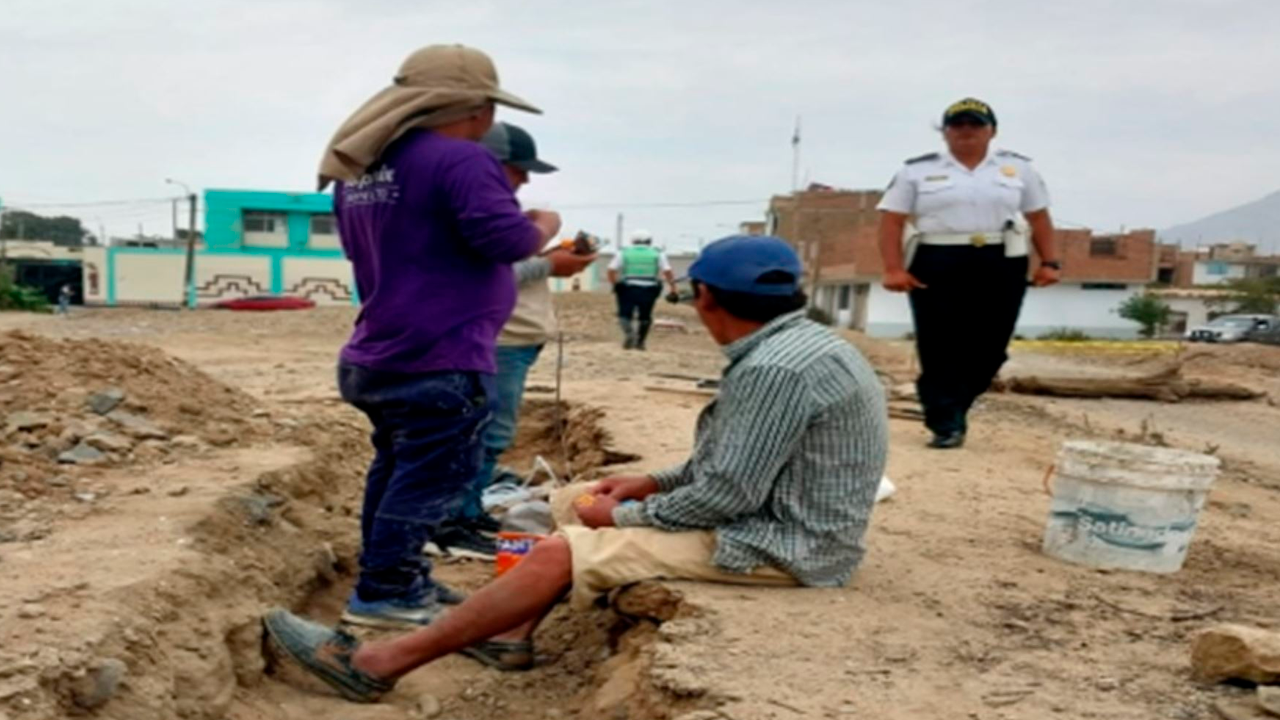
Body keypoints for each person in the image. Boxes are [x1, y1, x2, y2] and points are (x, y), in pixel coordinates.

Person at [262, 235, 890, 702]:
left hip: (786, 544)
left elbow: (728, 493)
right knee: (570, 501)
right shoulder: (797, 347)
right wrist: (649, 483)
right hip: (773, 516)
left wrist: (627, 517)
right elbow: (735, 460)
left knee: (564, 549)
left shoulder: (774, 369)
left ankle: (375, 665)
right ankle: (508, 633)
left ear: (703, 296)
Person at [319, 44, 563, 630]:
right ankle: (386, 593)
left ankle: (391, 577)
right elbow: (508, 242)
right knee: (430, 476)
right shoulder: (461, 160)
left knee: (397, 468)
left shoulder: (363, 169)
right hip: (440, 353)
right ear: (477, 109)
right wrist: (544, 224)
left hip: (382, 350)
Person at [430, 122, 596, 559]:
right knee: (484, 433)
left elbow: (503, 266)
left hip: (510, 340)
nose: (523, 180)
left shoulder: (488, 212)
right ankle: (451, 523)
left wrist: (546, 254)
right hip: (495, 341)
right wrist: (550, 265)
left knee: (488, 432)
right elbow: (479, 277)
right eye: (517, 169)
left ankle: (466, 514)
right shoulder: (462, 212)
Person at [876, 97, 1060, 450]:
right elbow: (891, 221)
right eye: (957, 125)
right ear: (945, 132)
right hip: (938, 257)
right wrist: (893, 268)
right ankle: (946, 421)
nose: (966, 131)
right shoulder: (916, 171)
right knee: (939, 342)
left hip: (1000, 259)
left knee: (992, 345)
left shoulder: (1018, 168)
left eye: (975, 124)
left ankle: (953, 402)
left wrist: (1050, 262)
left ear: (992, 131)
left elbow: (1038, 217)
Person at [607, 230, 678, 350]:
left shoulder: (623, 252)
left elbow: (611, 270)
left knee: (624, 314)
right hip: (649, 288)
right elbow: (667, 271)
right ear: (649, 241)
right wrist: (673, 288)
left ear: (633, 241)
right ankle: (640, 342)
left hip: (628, 287)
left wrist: (615, 283)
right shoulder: (657, 253)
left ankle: (629, 334)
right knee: (645, 316)